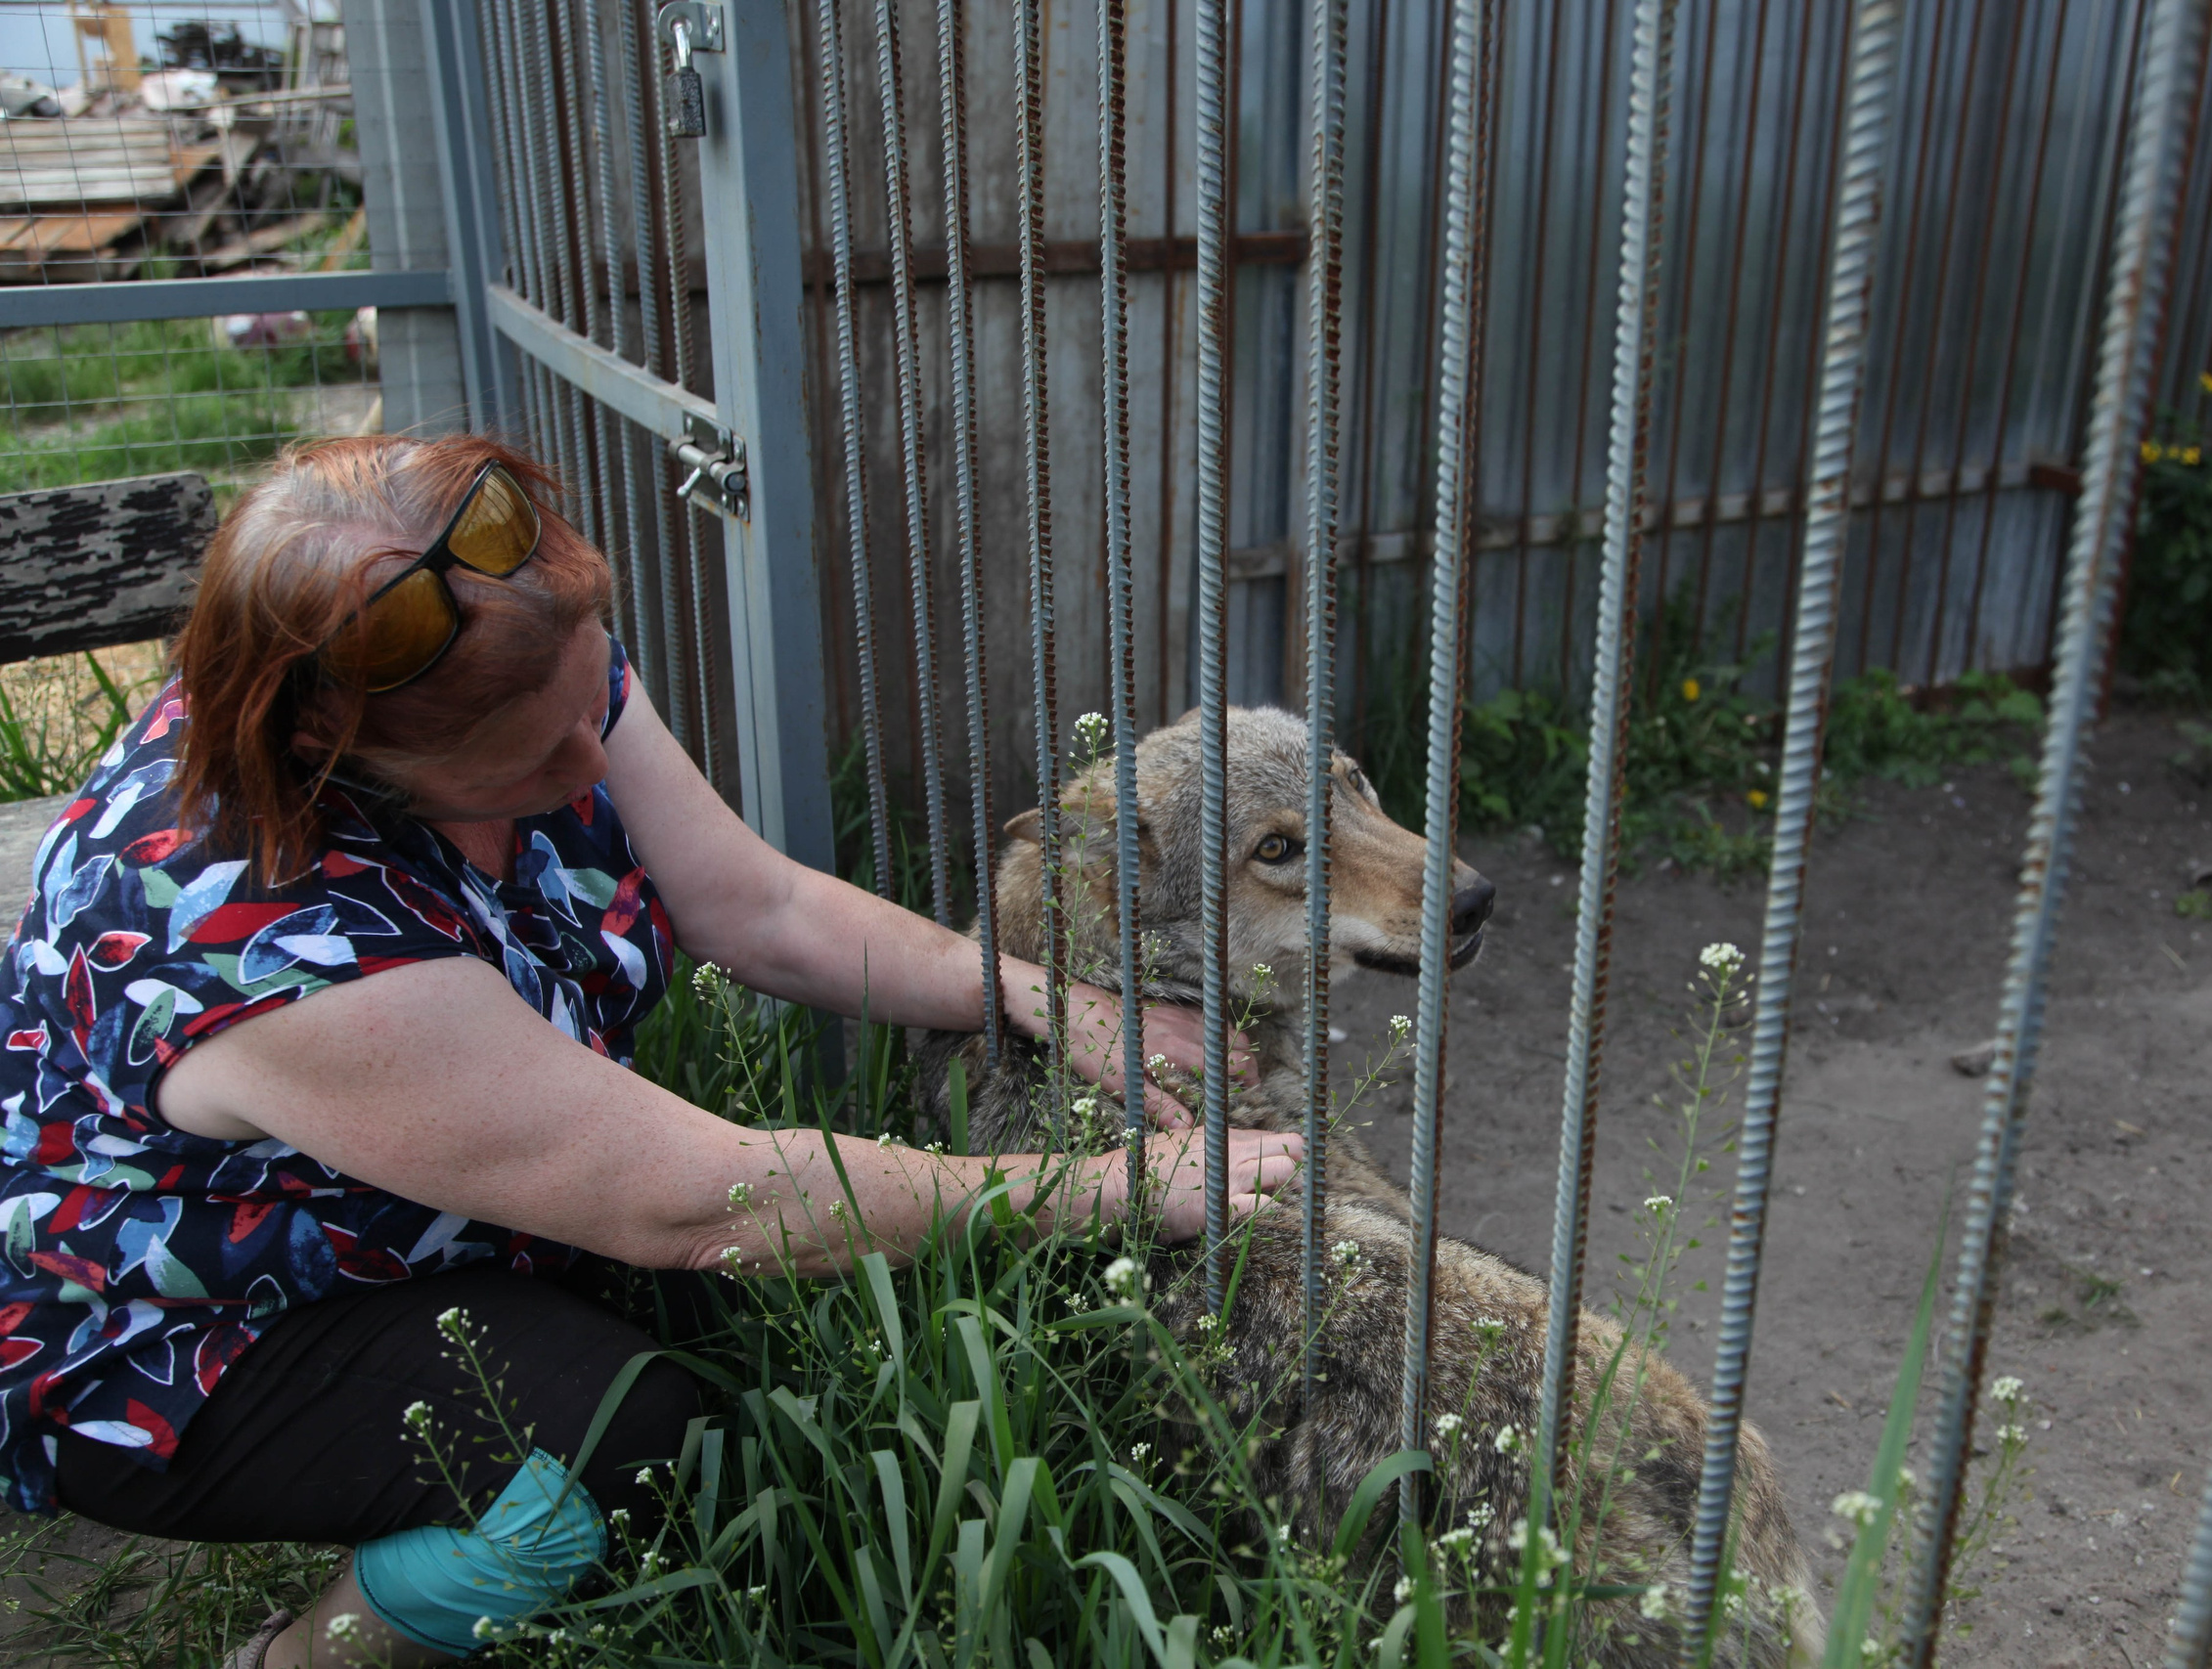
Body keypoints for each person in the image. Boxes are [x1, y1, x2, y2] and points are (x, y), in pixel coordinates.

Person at [0, 434, 1304, 1669]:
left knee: (773, 1324)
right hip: (171, 1325)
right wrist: (1118, 1190)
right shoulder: (268, 943)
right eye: (544, 755)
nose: (593, 759)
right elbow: (703, 1204)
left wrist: (1028, 993)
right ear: (341, 754)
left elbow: (757, 906)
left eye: (593, 701)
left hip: (399, 1210)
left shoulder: (490, 647)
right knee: (610, 1446)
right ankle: (301, 1656)